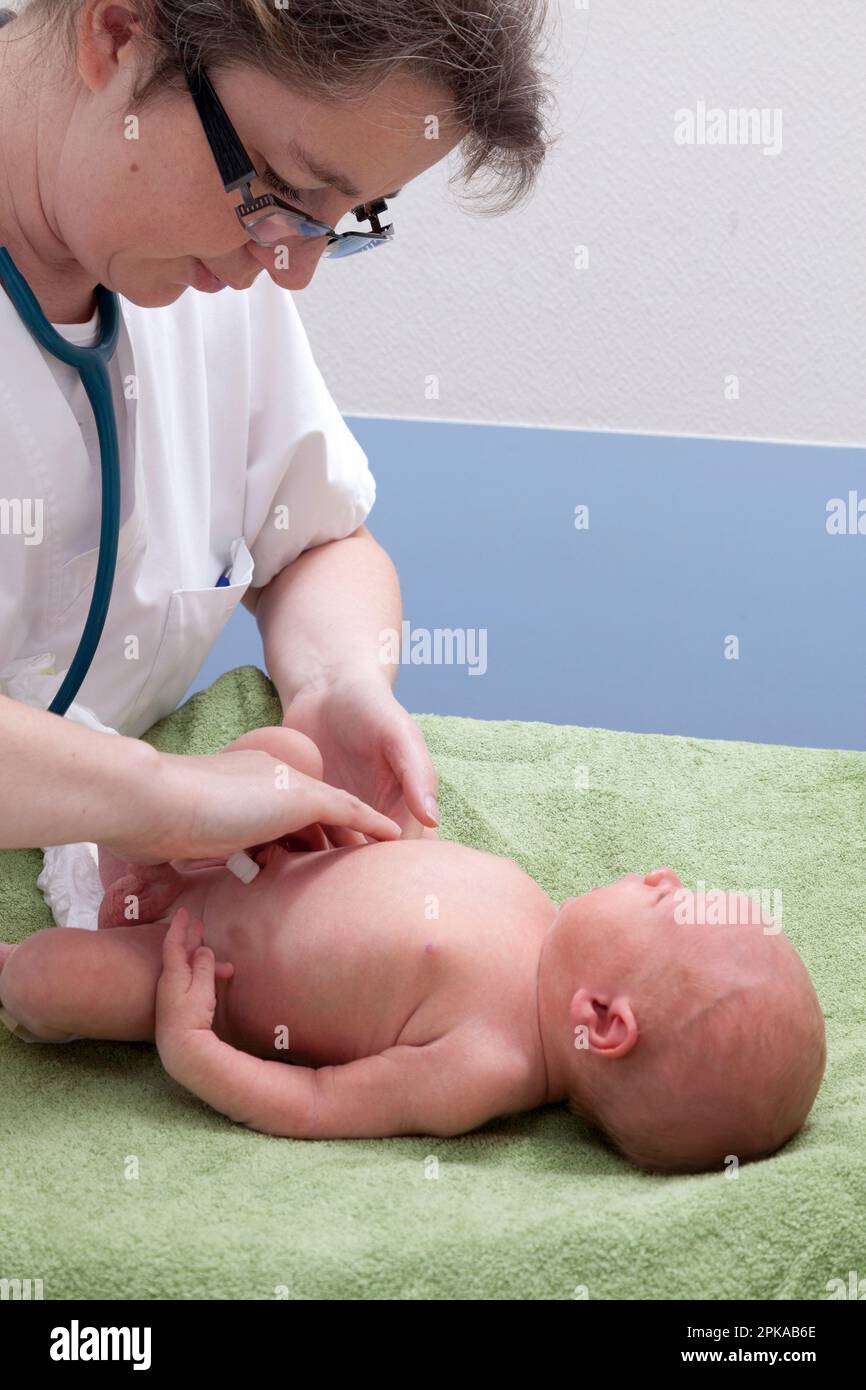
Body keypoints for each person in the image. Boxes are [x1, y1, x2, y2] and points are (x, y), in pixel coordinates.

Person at [0, 1, 556, 866]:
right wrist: (158, 798)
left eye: (345, 215)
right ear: (116, 33)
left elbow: (316, 543)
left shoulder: (215, 275)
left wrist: (338, 681)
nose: (290, 269)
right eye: (287, 188)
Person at [0, 725, 826, 1172]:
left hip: (179, 960)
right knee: (288, 757)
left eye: (665, 900)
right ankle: (131, 807)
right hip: (216, 848)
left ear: (604, 1020)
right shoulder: (531, 905)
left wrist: (190, 1046)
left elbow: (319, 1103)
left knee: (49, 980)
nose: (658, 872)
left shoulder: (487, 1064)